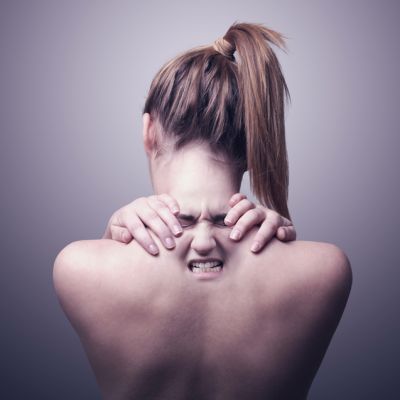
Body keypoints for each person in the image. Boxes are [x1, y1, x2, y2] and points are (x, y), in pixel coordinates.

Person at [53, 21, 352, 399]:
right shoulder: (326, 271)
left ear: (149, 132)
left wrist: (109, 240)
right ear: (252, 141)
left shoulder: (77, 268)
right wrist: (283, 248)